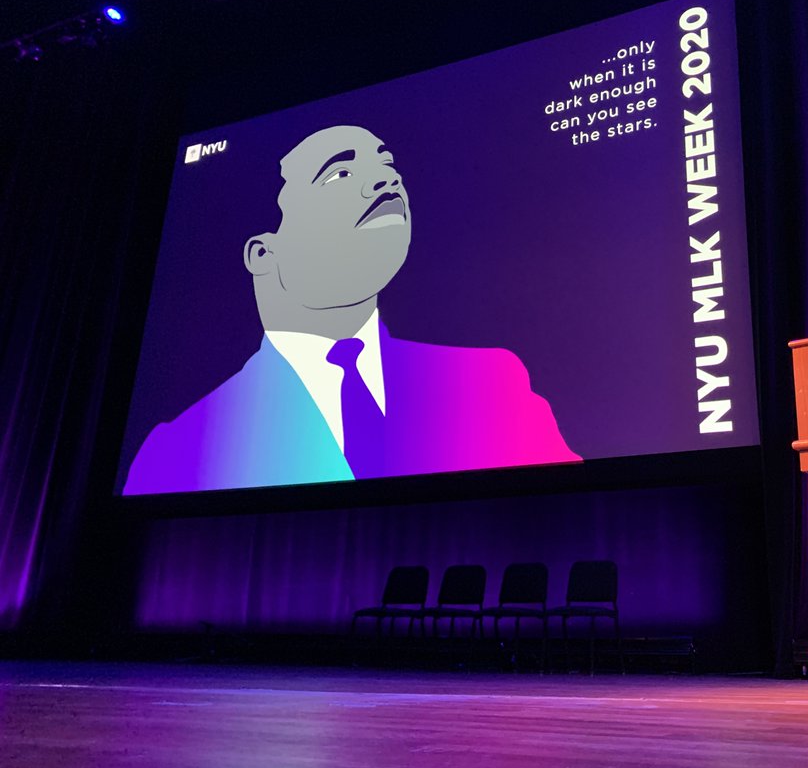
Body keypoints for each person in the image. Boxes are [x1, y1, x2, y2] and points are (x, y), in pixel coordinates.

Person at [124, 125, 579, 494]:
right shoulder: (184, 446)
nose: (387, 179)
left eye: (386, 164)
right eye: (339, 174)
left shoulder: (489, 384)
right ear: (264, 253)